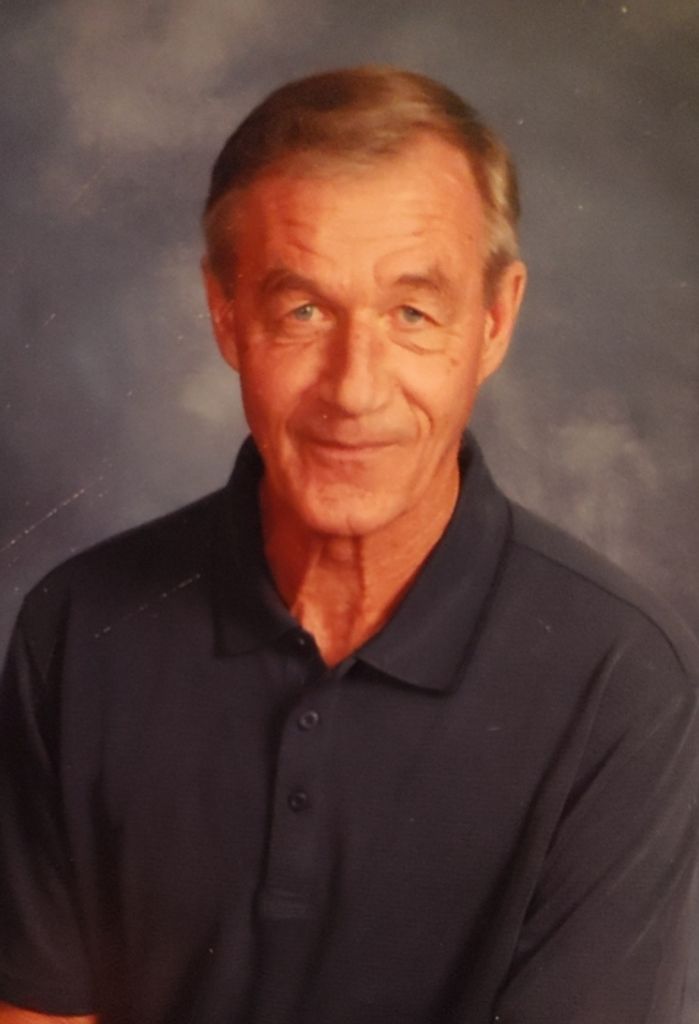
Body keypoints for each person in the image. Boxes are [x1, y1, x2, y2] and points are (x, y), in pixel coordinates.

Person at [0, 66, 697, 1024]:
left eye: (412, 313)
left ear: (493, 322)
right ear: (226, 314)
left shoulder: (622, 680)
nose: (353, 389)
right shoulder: (79, 628)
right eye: (303, 311)